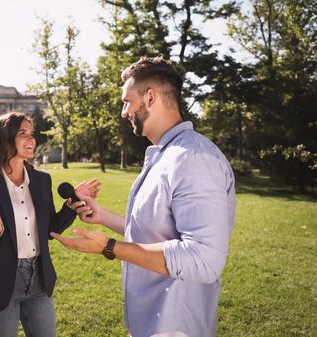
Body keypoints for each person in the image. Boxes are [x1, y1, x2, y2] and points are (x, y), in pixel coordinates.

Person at [51, 57, 236, 337]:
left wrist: (108, 247)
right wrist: (104, 217)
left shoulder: (193, 158)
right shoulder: (166, 154)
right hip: (152, 320)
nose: (124, 112)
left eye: (127, 101)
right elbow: (157, 232)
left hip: (175, 325)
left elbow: (203, 259)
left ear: (150, 97)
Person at [0, 112, 100, 337]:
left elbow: (49, 229)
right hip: (1, 285)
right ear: (5, 138)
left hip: (39, 280)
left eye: (32, 134)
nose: (31, 139)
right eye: (23, 133)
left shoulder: (41, 180)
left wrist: (71, 208)